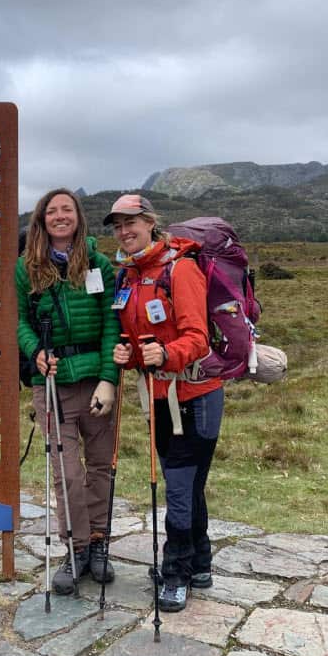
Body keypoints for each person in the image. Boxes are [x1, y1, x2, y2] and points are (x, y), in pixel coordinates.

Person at [106, 194, 223, 613]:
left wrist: (166, 356)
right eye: (117, 225)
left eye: (131, 222)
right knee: (189, 486)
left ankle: (176, 573)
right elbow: (139, 340)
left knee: (178, 488)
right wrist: (131, 356)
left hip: (196, 397)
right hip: (157, 398)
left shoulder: (182, 269)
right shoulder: (129, 276)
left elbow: (197, 337)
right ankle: (201, 563)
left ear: (150, 222)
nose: (124, 231)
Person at [17, 188, 121, 595]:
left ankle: (99, 545)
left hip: (96, 381)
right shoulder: (25, 268)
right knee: (67, 474)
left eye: (68, 209)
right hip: (53, 386)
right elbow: (19, 320)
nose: (60, 216)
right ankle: (75, 548)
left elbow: (112, 325)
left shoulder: (98, 265)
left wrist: (109, 379)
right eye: (52, 211)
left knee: (99, 467)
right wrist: (36, 352)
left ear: (78, 217)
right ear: (41, 220)